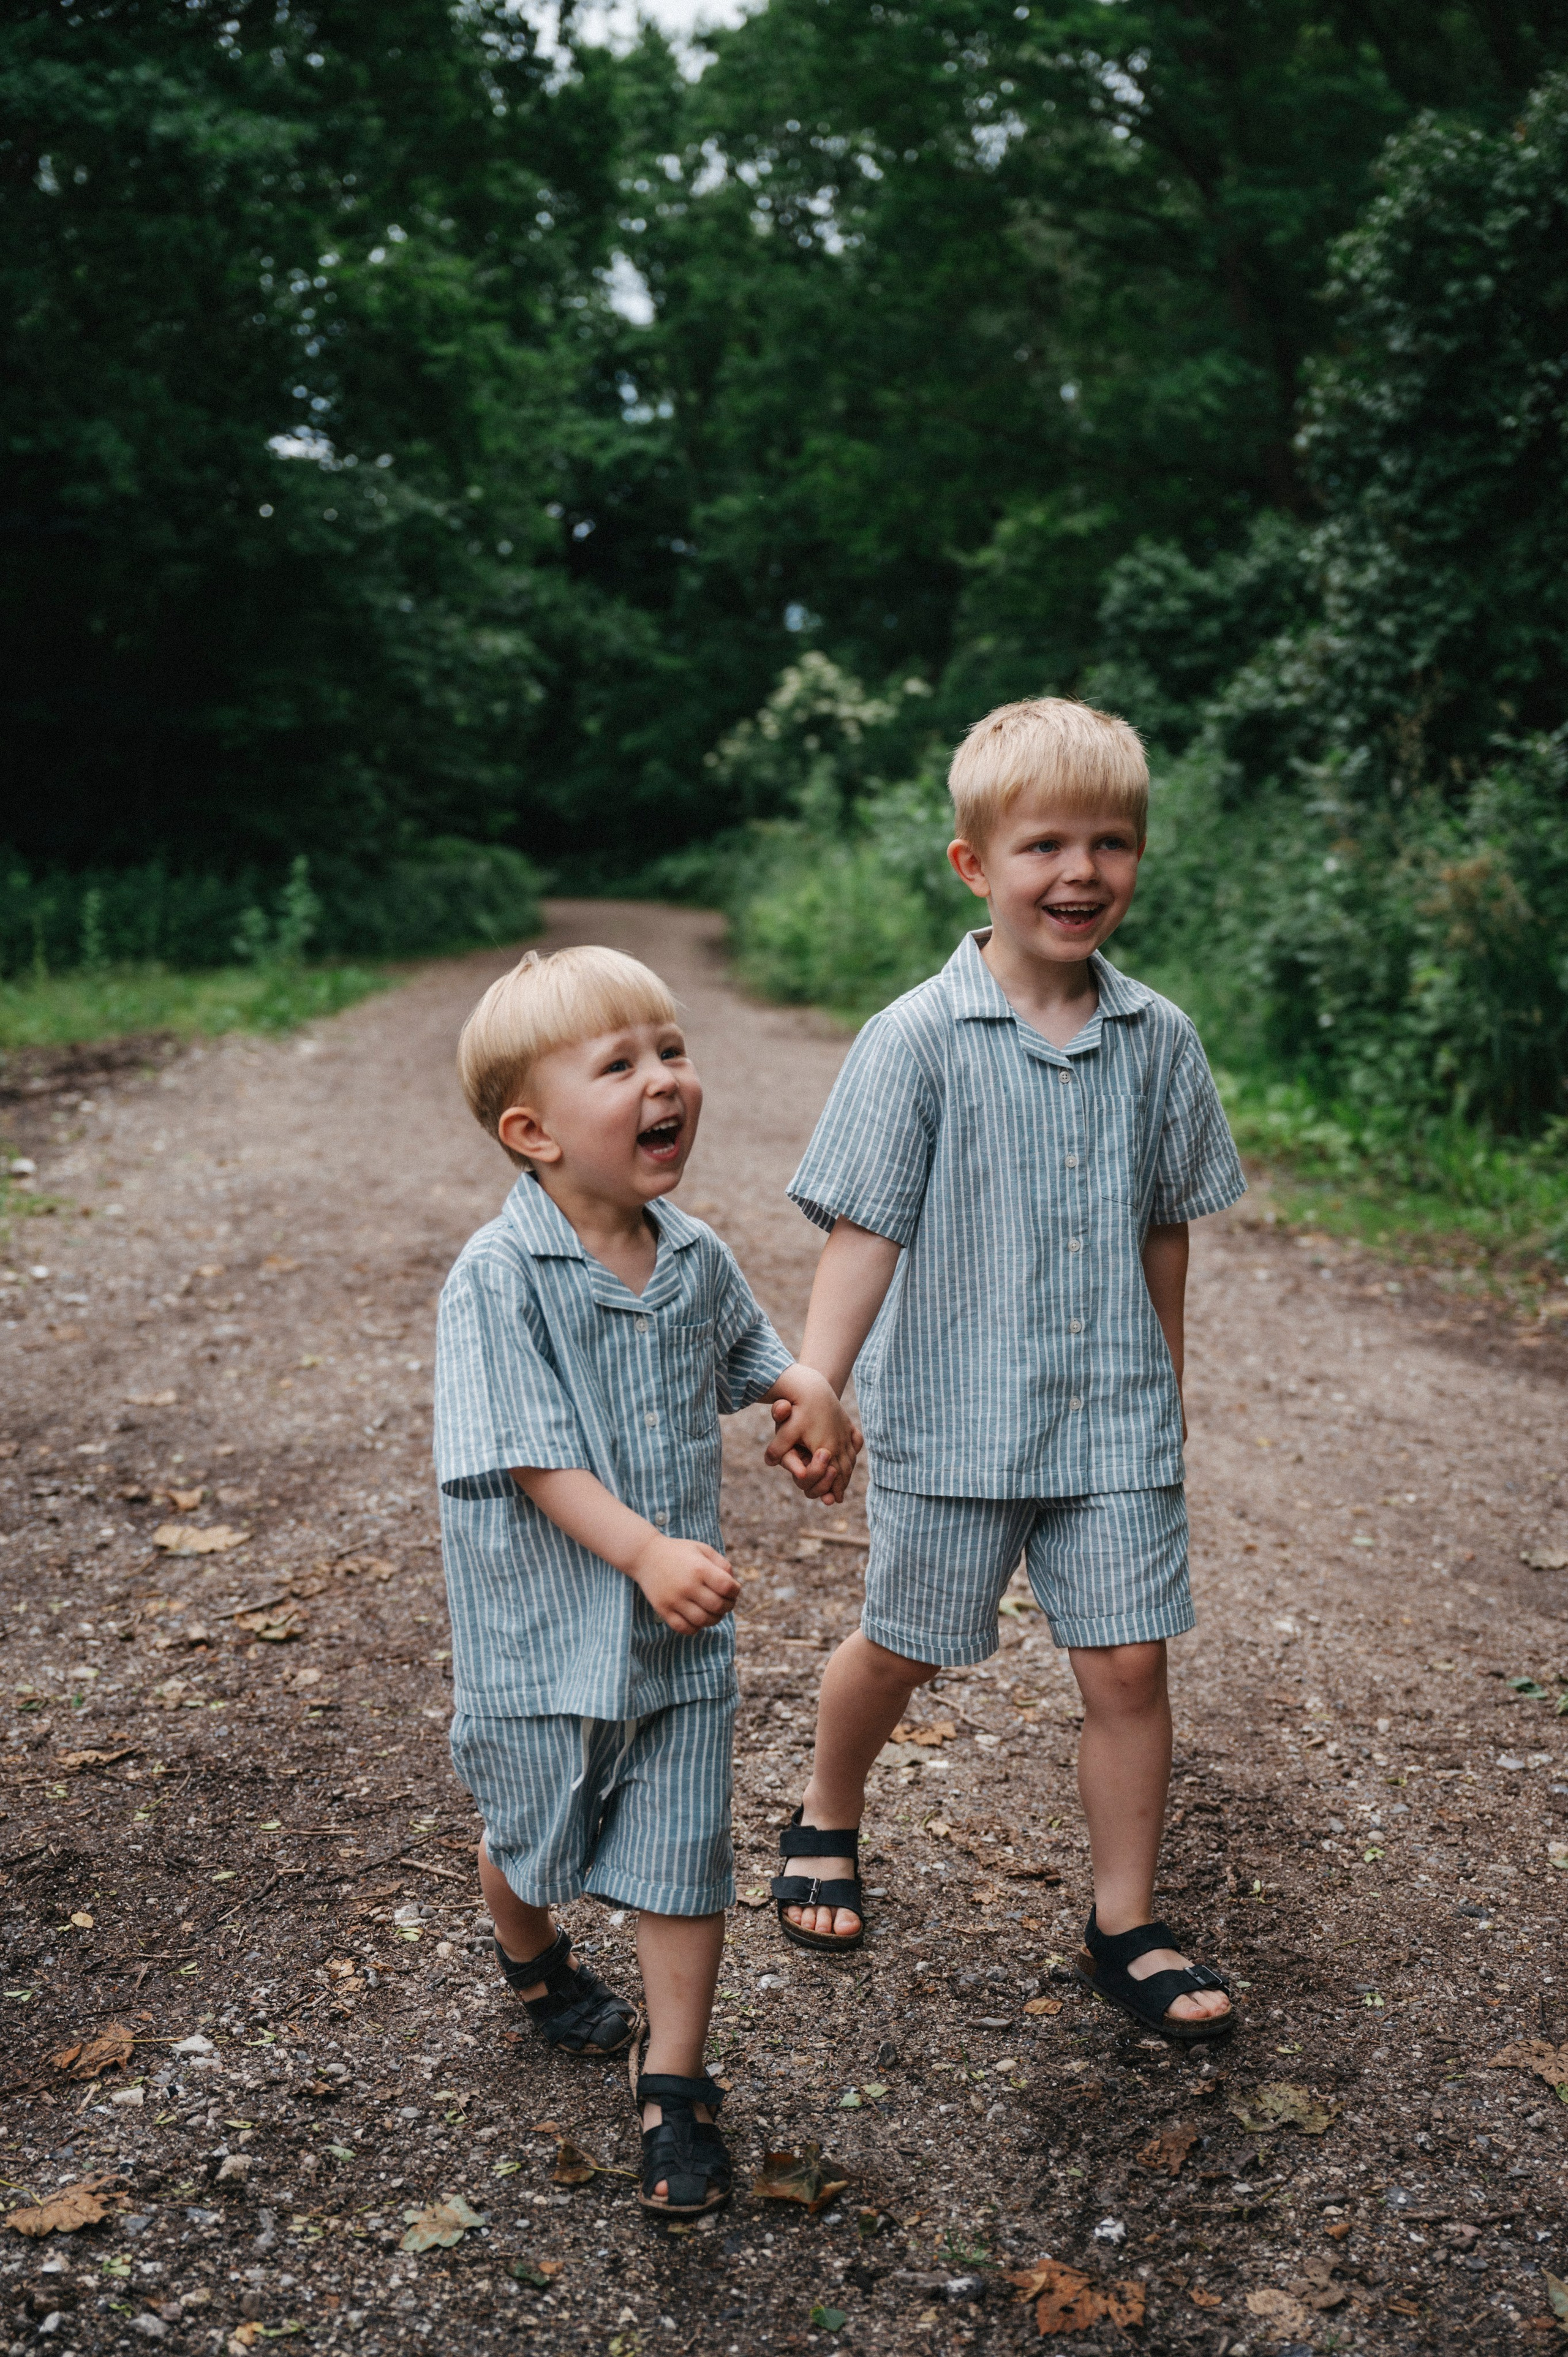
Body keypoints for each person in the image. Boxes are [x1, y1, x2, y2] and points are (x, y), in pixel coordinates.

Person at [766, 696, 1245, 2040]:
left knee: (1130, 1668)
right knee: (903, 1645)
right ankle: (826, 1810)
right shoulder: (915, 1037)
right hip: (960, 1423)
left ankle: (1122, 1921)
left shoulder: (1160, 1039)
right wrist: (818, 1380)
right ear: (973, 864)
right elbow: (866, 1229)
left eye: (1110, 843)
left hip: (1112, 1426)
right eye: (1043, 846)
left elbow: (1164, 1225)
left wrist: (1166, 1380)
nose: (1080, 873)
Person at [435, 943, 859, 2214]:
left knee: (682, 1852)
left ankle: (674, 2081)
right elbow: (528, 1455)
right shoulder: (498, 1277)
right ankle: (532, 1952)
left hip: (677, 1643)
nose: (664, 1078)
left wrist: (806, 1397)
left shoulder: (695, 1256)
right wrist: (639, 1549)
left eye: (670, 1051)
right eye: (618, 1065)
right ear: (534, 1132)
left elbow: (753, 1356)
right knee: (534, 1837)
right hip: (544, 1638)